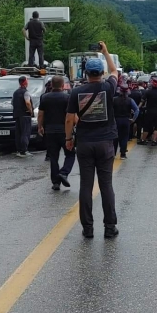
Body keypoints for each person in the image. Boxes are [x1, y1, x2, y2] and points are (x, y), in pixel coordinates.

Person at [65, 41, 119, 239]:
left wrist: (68, 139)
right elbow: (115, 72)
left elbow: (70, 118)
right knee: (106, 186)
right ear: (101, 73)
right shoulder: (108, 87)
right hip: (105, 142)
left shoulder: (76, 92)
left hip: (85, 143)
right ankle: (110, 227)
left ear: (86, 73)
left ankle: (87, 228)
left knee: (86, 187)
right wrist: (105, 52)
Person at [38, 75, 76, 190]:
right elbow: (71, 115)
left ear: (51, 85)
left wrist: (40, 126)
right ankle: (64, 173)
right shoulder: (67, 98)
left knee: (53, 157)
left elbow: (40, 114)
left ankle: (55, 182)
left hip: (50, 131)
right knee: (70, 154)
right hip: (64, 131)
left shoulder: (44, 97)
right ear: (63, 85)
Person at [113, 84, 139, 159]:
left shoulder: (114, 99)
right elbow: (137, 110)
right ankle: (123, 154)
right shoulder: (130, 100)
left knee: (115, 137)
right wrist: (133, 119)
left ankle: (113, 153)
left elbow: (110, 110)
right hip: (126, 120)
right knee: (124, 137)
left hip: (116, 120)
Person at [138, 77, 157, 146]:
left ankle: (143, 140)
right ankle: (154, 140)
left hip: (149, 111)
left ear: (152, 83)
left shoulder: (148, 92)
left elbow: (142, 101)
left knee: (146, 126)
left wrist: (137, 108)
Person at [12, 76, 33, 158]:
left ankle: (19, 150)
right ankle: (24, 150)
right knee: (25, 132)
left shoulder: (15, 92)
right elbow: (27, 103)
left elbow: (12, 102)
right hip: (25, 115)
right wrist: (30, 111)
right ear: (25, 82)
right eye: (27, 81)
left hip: (17, 115)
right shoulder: (25, 92)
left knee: (19, 133)